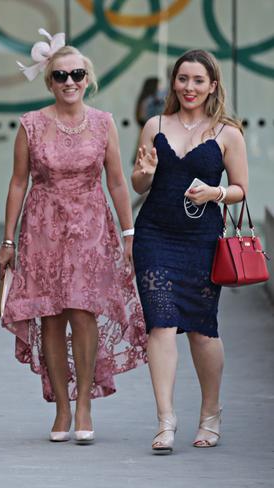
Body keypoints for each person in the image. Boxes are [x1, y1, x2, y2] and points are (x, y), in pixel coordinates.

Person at [0, 37, 147, 445]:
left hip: (92, 228)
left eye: (77, 74)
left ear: (87, 79)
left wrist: (129, 230)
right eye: (61, 75)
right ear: (50, 82)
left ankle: (85, 405)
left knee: (84, 312)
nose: (69, 81)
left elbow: (117, 180)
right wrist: (7, 241)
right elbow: (17, 182)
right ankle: (62, 406)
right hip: (43, 229)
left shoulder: (103, 123)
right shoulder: (30, 123)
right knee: (51, 316)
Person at [132, 49, 248, 453]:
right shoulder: (155, 124)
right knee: (160, 324)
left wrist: (215, 192)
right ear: (173, 83)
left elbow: (240, 189)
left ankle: (210, 412)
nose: (189, 87)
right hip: (155, 236)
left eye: (198, 80)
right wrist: (144, 173)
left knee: (202, 330)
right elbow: (138, 182)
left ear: (212, 85)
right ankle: (165, 420)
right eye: (183, 79)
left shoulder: (227, 132)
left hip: (200, 241)